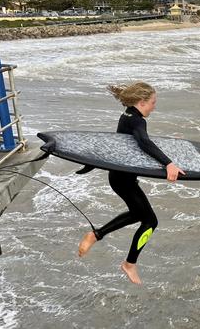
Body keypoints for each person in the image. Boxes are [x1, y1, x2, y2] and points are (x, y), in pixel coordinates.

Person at [78, 81, 185, 285]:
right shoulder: (138, 121)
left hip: (119, 176)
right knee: (150, 222)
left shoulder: (127, 114)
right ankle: (129, 263)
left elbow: (130, 143)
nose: (155, 106)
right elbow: (143, 142)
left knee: (137, 214)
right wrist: (169, 164)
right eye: (153, 102)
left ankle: (96, 235)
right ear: (142, 102)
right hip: (123, 179)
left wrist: (166, 145)